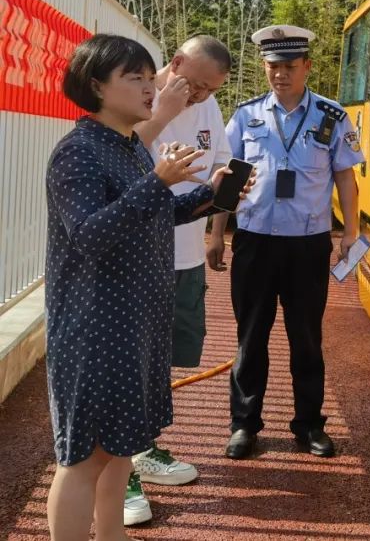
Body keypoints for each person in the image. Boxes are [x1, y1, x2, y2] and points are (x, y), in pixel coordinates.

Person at [44, 34, 254, 541]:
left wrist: (210, 196)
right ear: (95, 85)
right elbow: (90, 236)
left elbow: (157, 214)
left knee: (118, 453)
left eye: (147, 74)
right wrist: (157, 182)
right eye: (133, 77)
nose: (148, 87)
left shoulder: (128, 148)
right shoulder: (78, 153)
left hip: (134, 324)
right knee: (86, 459)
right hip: (97, 329)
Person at [211, 24, 363, 460]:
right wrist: (218, 234)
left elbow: (345, 178)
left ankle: (309, 425)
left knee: (306, 338)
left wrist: (350, 232)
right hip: (256, 242)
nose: (280, 74)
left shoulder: (331, 116)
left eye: (289, 66)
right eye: (272, 66)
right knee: (250, 337)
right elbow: (229, 179)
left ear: (307, 67)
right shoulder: (246, 115)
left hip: (307, 245)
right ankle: (244, 425)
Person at [115, 36, 233, 527]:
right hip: (136, 261)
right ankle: (120, 476)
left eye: (211, 89)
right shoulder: (139, 104)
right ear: (177, 63)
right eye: (199, 85)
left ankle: (143, 447)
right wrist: (161, 113)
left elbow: (216, 165)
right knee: (125, 364)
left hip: (181, 255)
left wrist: (225, 185)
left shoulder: (209, 106)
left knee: (163, 359)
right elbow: (120, 168)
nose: (203, 96)